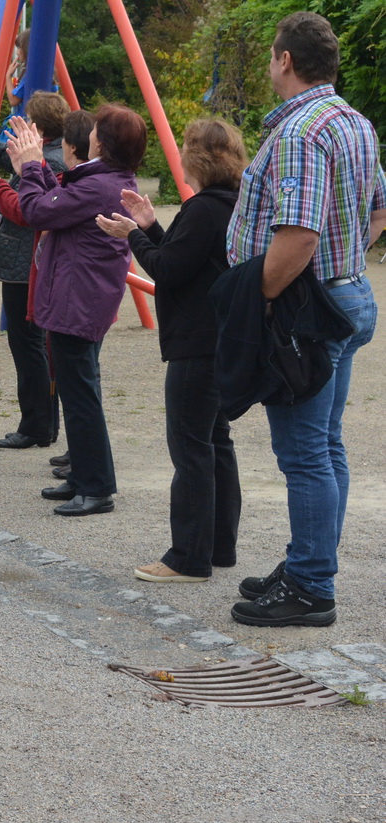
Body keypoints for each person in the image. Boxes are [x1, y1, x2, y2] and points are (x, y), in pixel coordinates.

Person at [226, 12, 385, 627]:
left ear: (285, 60)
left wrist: (260, 298)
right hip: (344, 297)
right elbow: (377, 210)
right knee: (326, 445)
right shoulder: (354, 123)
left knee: (305, 455)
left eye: (271, 55)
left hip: (304, 310)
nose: (270, 64)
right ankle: (308, 562)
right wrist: (344, 264)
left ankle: (313, 585)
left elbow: (296, 237)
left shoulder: (299, 133)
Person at [96, 119, 245, 582]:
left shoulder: (202, 209)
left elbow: (167, 268)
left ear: (196, 157)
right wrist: (150, 224)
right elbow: (186, 258)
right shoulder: (229, 204)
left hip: (196, 344)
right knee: (216, 443)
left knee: (191, 448)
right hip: (220, 340)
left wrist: (132, 237)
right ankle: (218, 545)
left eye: (184, 147)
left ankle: (188, 556)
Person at [0, 107, 145, 517]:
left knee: (81, 395)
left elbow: (39, 211)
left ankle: (96, 487)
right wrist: (29, 164)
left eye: (96, 131)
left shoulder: (100, 186)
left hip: (80, 302)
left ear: (102, 144)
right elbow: (49, 203)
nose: (89, 134)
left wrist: (33, 166)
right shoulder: (102, 180)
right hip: (79, 299)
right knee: (78, 393)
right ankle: (83, 479)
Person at [0, 92, 69, 450]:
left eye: (28, 119)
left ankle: (35, 425)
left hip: (25, 264)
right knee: (36, 347)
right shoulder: (53, 154)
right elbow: (14, 160)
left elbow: (19, 204)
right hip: (26, 261)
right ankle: (43, 424)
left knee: (28, 347)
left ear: (38, 126)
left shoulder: (49, 161)